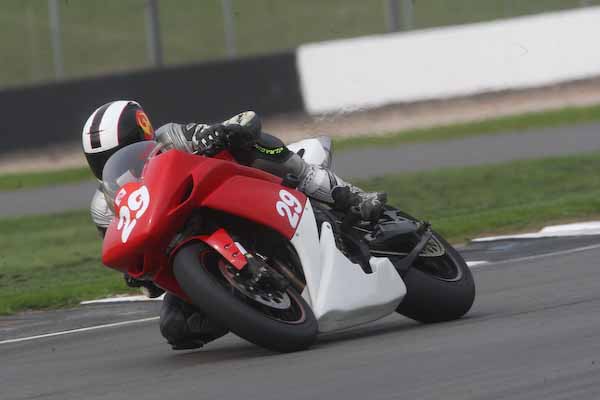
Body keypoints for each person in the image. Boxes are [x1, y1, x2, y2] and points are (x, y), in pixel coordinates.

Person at [82, 99, 387, 349]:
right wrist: (136, 272)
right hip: (187, 248)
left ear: (142, 135)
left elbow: (242, 122)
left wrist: (219, 134)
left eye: (120, 150)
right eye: (102, 158)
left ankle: (349, 196)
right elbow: (133, 259)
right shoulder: (104, 206)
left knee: (251, 144)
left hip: (241, 194)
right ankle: (249, 308)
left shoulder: (171, 137)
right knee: (176, 328)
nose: (112, 161)